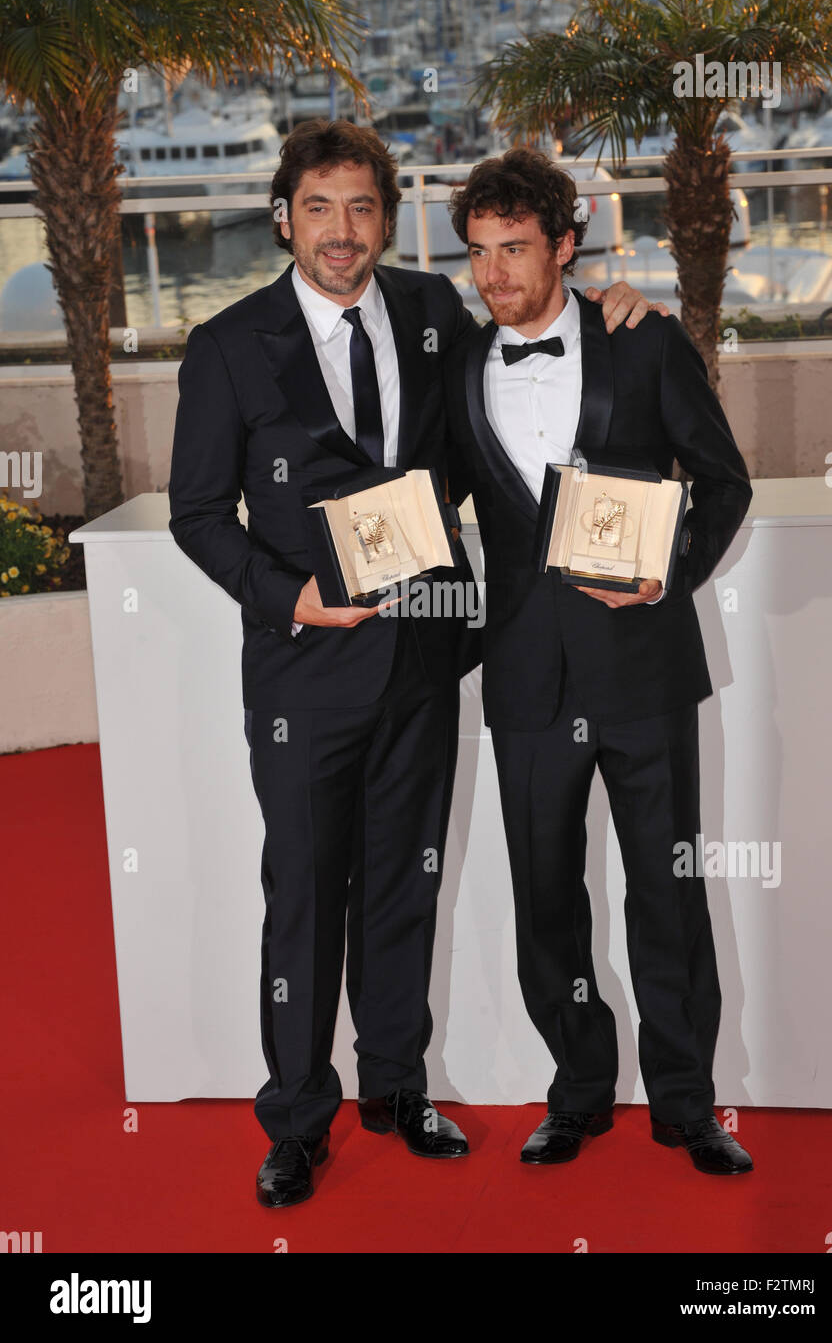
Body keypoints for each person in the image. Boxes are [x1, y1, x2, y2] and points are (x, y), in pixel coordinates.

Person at [168, 118, 664, 1207]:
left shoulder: (436, 311)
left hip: (426, 659)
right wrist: (285, 594)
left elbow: (540, 334)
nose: (341, 231)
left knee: (403, 884)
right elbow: (198, 514)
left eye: (361, 208)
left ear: (386, 219)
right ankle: (297, 1118)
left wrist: (621, 312)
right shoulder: (227, 345)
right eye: (318, 208)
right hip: (304, 673)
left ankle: (395, 1088)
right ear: (283, 218)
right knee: (301, 894)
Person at [443, 146, 755, 1176]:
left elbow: (723, 484)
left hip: (642, 667)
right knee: (545, 897)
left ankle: (686, 1103)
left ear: (565, 247)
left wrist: (666, 574)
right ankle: (575, 1092)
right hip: (526, 679)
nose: (494, 274)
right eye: (479, 252)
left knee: (665, 890)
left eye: (516, 249)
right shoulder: (454, 366)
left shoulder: (644, 340)